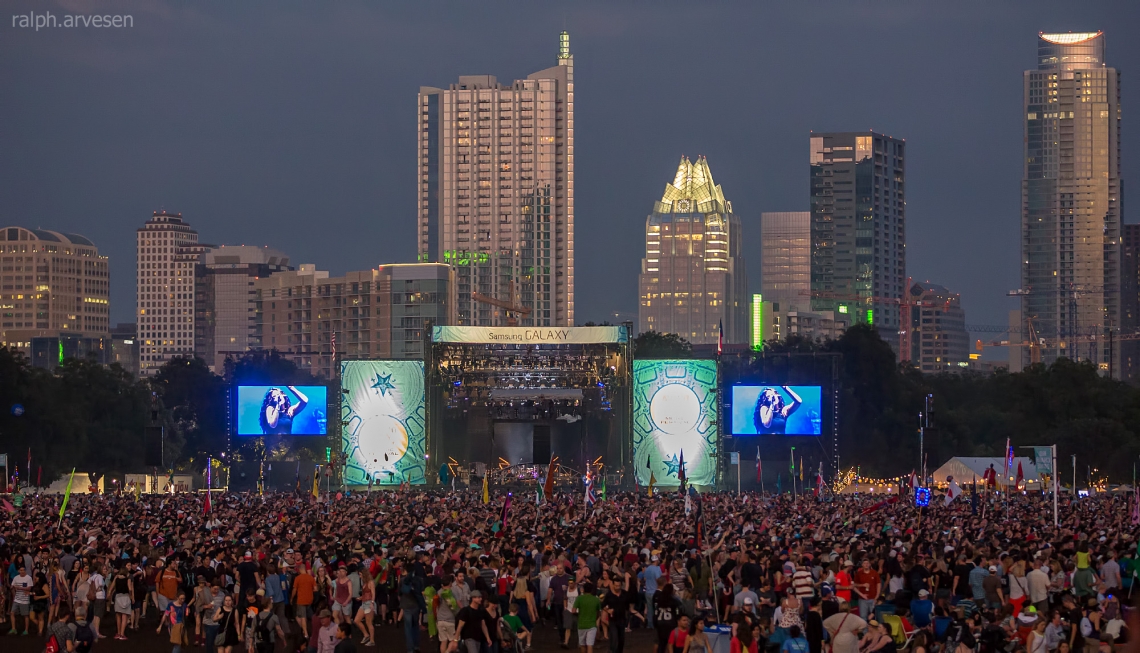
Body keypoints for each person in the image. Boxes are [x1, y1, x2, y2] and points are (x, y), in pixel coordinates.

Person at [575, 581, 604, 653]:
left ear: (584, 589)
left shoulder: (579, 598)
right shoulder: (596, 600)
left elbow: (573, 610)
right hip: (592, 625)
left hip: (581, 624)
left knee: (582, 645)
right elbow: (599, 612)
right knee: (590, 645)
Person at [10, 564, 34, 635]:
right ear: (18, 571)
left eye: (23, 570)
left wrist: (20, 588)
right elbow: (12, 586)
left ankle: (26, 630)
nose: (22, 571)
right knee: (12, 613)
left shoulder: (28, 578)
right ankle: (13, 628)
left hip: (25, 600)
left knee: (25, 615)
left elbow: (29, 588)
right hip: (17, 599)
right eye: (21, 570)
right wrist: (12, 587)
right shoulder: (16, 578)